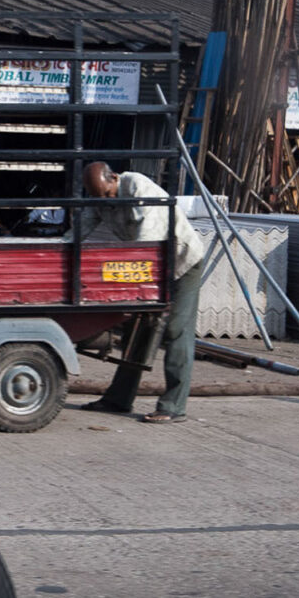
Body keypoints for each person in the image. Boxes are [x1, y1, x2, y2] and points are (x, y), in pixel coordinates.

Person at [78, 161, 209, 423]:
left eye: (108, 194)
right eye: (100, 197)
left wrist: (135, 287)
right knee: (135, 331)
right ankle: (118, 400)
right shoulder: (100, 197)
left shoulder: (140, 188)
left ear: (114, 177)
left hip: (182, 263)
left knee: (175, 330)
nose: (107, 201)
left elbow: (146, 243)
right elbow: (82, 228)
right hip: (149, 264)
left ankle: (174, 406)